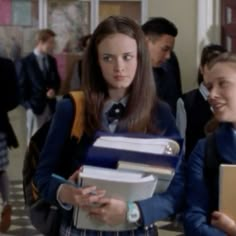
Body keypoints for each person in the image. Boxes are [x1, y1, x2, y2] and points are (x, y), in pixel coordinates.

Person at [34, 16, 181, 235]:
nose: (119, 67)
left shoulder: (159, 113)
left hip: (135, 228)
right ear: (96, 61)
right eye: (108, 58)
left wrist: (132, 211)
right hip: (80, 229)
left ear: (140, 58)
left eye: (127, 57)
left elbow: (177, 187)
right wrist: (66, 192)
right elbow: (43, 176)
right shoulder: (72, 108)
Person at [184, 52, 236, 235]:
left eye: (222, 84)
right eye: (209, 87)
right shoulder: (205, 149)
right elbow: (194, 219)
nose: (211, 95)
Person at [176, 44, 226, 159]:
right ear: (202, 68)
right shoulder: (186, 101)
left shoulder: (230, 99)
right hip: (195, 165)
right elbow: (181, 143)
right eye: (212, 67)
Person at [19, 29, 60, 144]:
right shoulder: (25, 62)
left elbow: (57, 80)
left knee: (51, 140)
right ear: (41, 42)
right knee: (34, 142)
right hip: (35, 108)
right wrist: (29, 106)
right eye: (51, 42)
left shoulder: (52, 60)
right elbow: (21, 88)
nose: (53, 46)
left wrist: (54, 90)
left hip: (51, 107)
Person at [142, 17, 182, 115]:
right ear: (146, 42)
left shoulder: (171, 61)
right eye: (164, 49)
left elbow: (177, 100)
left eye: (170, 51)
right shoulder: (123, 70)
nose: (168, 56)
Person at [0, 57, 19, 232]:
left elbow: (14, 98)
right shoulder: (6, 64)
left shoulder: (6, 65)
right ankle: (6, 204)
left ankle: (6, 205)